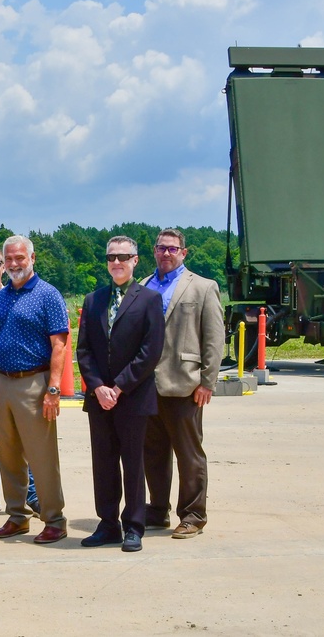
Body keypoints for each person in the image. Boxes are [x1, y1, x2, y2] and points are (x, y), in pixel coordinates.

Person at [0, 235, 69, 544]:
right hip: (2, 382)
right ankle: (17, 516)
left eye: (20, 258)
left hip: (35, 381)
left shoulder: (47, 295)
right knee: (8, 454)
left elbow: (60, 345)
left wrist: (53, 389)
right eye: (10, 259)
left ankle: (54, 519)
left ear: (32, 258)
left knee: (41, 456)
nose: (15, 264)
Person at [76, 236, 165, 552]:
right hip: (99, 398)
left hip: (133, 396)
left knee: (132, 462)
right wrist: (98, 386)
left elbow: (150, 350)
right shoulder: (93, 300)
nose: (117, 262)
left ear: (136, 260)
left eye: (123, 257)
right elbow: (84, 349)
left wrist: (119, 387)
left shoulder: (150, 299)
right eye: (111, 257)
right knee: (103, 463)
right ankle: (108, 524)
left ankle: (134, 526)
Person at [140, 229, 225, 539]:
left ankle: (193, 515)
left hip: (185, 383)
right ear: (154, 251)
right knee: (153, 453)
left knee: (189, 454)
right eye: (162, 248)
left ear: (184, 253)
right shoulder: (142, 286)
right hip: (148, 385)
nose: (167, 253)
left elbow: (214, 338)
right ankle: (157, 510)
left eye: (173, 249)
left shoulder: (202, 287)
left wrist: (208, 382)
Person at [0, 246, 39, 515]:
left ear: (4, 267)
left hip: (9, 379)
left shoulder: (11, 295)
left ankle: (32, 494)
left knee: (23, 441)